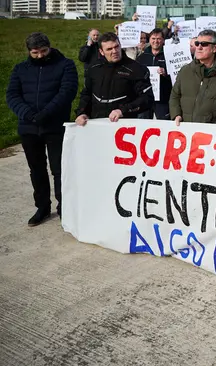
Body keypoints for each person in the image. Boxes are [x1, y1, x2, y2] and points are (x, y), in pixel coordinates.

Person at [6, 33, 78, 225]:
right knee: (36, 169)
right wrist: (28, 114)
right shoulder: (21, 69)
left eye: (43, 51)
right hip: (29, 127)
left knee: (59, 169)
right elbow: (12, 95)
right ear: (29, 51)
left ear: (50, 47)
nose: (39, 56)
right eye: (35, 52)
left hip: (54, 125)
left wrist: (46, 113)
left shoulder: (65, 65)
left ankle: (64, 207)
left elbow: (67, 92)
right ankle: (42, 207)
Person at [75, 32, 153, 126]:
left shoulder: (136, 69)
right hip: (97, 123)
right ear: (101, 51)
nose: (114, 51)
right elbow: (86, 93)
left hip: (124, 125)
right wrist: (82, 112)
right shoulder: (93, 68)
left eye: (116, 47)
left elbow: (147, 98)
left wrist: (123, 110)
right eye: (109, 49)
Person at [170, 30, 216, 125]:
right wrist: (176, 115)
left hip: (213, 135)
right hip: (185, 132)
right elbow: (175, 95)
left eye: (204, 44)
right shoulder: (185, 70)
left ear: (215, 48)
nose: (199, 47)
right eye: (197, 43)